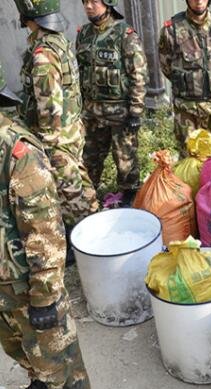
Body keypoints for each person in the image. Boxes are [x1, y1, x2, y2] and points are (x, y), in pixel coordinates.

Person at [0, 62, 91, 389]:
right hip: (4, 290)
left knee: (63, 370)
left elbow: (45, 231)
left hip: (29, 289)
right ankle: (40, 387)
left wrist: (45, 297)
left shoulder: (18, 152)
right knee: (21, 351)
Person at [14, 0, 99, 232]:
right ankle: (95, 218)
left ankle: (85, 236)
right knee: (79, 179)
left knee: (68, 193)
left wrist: (45, 144)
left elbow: (49, 105)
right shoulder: (59, 40)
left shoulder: (43, 53)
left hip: (57, 136)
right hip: (71, 129)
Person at [76, 0, 148, 206]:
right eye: (85, 2)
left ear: (108, 4)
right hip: (91, 111)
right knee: (89, 157)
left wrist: (135, 111)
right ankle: (87, 196)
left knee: (125, 159)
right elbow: (80, 71)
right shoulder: (83, 34)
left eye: (94, 1)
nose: (89, 6)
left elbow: (139, 75)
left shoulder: (125, 35)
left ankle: (129, 197)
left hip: (120, 113)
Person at [159, 0, 211, 150]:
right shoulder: (172, 29)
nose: (199, 1)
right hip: (186, 109)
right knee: (189, 157)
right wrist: (189, 84)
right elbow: (166, 66)